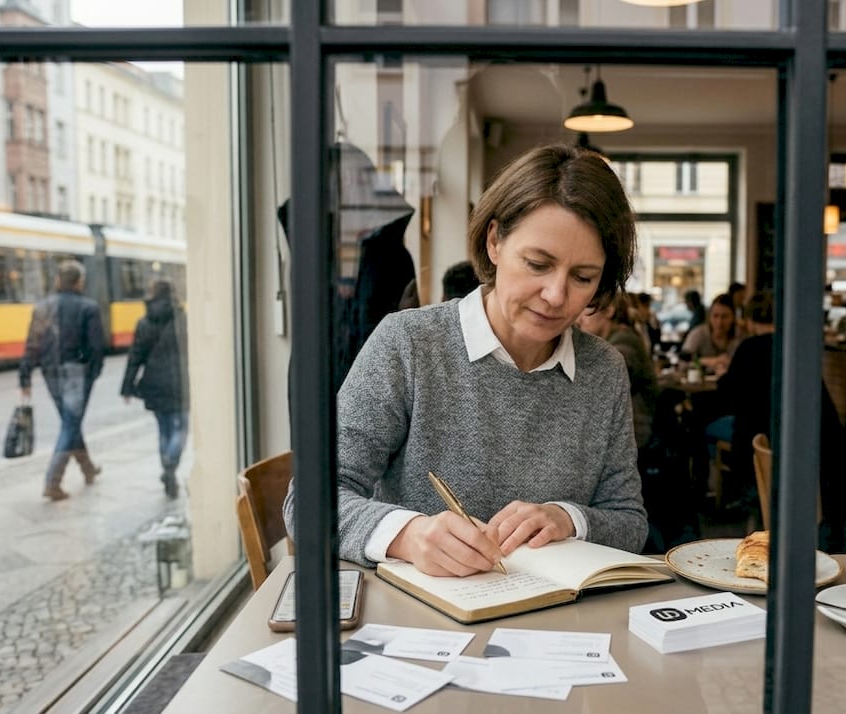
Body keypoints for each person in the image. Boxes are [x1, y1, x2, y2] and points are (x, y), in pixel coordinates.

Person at [284, 143, 648, 575]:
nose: (556, 295)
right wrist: (408, 536)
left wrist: (569, 518)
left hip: (557, 610)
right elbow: (308, 501)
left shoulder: (604, 369)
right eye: (537, 264)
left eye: (583, 277)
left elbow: (630, 521)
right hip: (423, 611)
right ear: (494, 242)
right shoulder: (409, 344)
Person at [714, 290, 846, 549]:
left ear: (748, 319)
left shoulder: (748, 349)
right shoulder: (797, 348)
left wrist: (724, 375)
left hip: (759, 455)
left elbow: (727, 397)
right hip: (815, 461)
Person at [19, 259, 106, 501]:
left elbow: (32, 345)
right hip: (77, 372)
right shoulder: (89, 307)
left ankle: (88, 468)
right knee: (70, 424)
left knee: (70, 422)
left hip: (50, 371)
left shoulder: (42, 307)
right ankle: (52, 481)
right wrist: (93, 373)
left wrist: (25, 377)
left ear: (58, 281)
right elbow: (96, 347)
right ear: (80, 282)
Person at [120, 280, 190, 498]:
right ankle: (170, 466)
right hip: (179, 382)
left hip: (154, 384)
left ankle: (167, 469)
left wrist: (127, 386)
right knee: (180, 429)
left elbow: (135, 355)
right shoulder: (182, 318)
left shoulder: (144, 322)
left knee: (164, 431)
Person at [577, 293, 657, 449]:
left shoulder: (623, 344)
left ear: (609, 311)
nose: (579, 319)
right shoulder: (612, 341)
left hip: (633, 435)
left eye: (585, 308)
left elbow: (598, 390)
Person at [681, 293, 740, 374]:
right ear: (709, 317)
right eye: (715, 316)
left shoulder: (741, 336)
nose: (719, 322)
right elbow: (682, 363)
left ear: (733, 318)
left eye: (725, 317)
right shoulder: (698, 334)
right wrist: (708, 361)